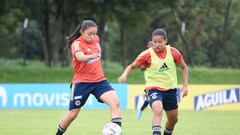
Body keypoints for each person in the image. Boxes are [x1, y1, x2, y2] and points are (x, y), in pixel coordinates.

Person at [55, 20, 122, 135]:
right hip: (81, 83)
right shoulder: (76, 43)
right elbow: (80, 57)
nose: (92, 36)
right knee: (72, 114)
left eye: (94, 33)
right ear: (82, 32)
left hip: (99, 81)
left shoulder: (96, 39)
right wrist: (91, 56)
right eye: (89, 34)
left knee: (115, 103)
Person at [118, 28, 188, 135]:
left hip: (170, 90)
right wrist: (124, 74)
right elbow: (132, 66)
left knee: (173, 119)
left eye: (160, 42)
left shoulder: (173, 52)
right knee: (158, 109)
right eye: (155, 42)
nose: (157, 44)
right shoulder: (147, 54)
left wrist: (185, 86)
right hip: (153, 88)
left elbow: (184, 67)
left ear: (165, 41)